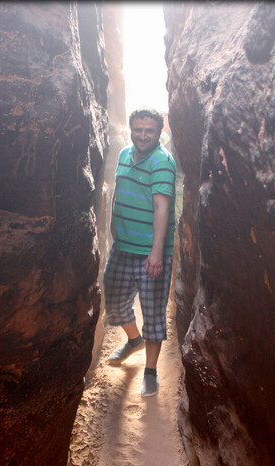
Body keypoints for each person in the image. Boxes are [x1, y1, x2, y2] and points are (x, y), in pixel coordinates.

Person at [103, 107, 177, 397]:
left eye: (149, 130)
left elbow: (162, 207)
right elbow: (118, 192)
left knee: (153, 312)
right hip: (123, 248)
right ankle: (134, 340)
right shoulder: (124, 154)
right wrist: (112, 227)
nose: (143, 135)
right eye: (138, 129)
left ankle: (150, 371)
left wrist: (156, 252)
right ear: (132, 129)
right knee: (116, 301)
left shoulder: (162, 162)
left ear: (159, 132)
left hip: (150, 252)